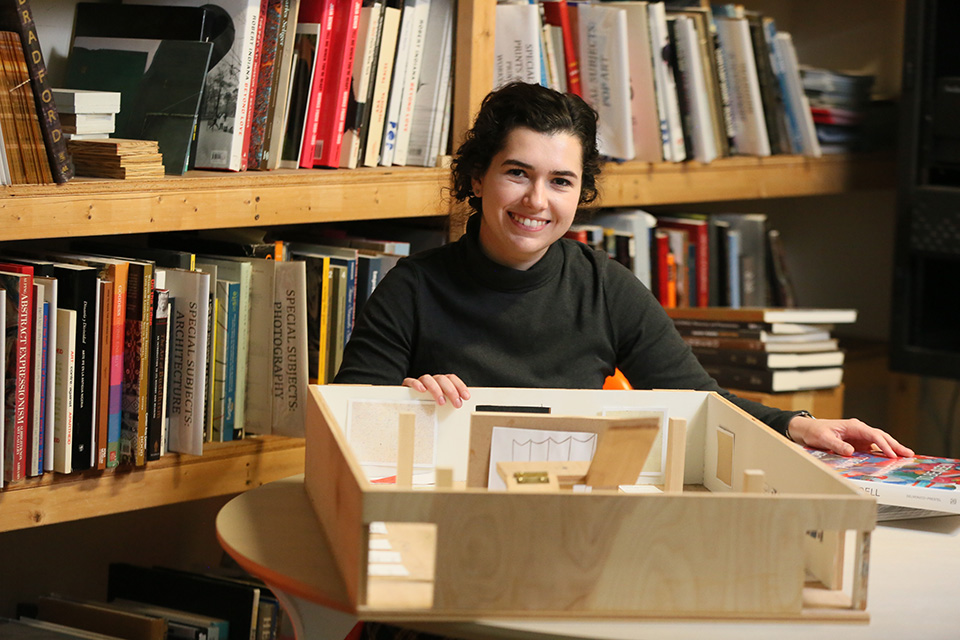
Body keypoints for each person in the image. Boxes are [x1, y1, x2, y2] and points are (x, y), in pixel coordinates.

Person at [335, 81, 912, 459]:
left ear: (579, 193)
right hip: (441, 515)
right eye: (517, 172)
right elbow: (344, 427)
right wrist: (406, 404)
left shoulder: (606, 288)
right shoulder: (411, 287)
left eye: (560, 181)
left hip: (574, 516)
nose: (537, 200)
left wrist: (800, 426)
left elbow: (698, 399)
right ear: (478, 178)